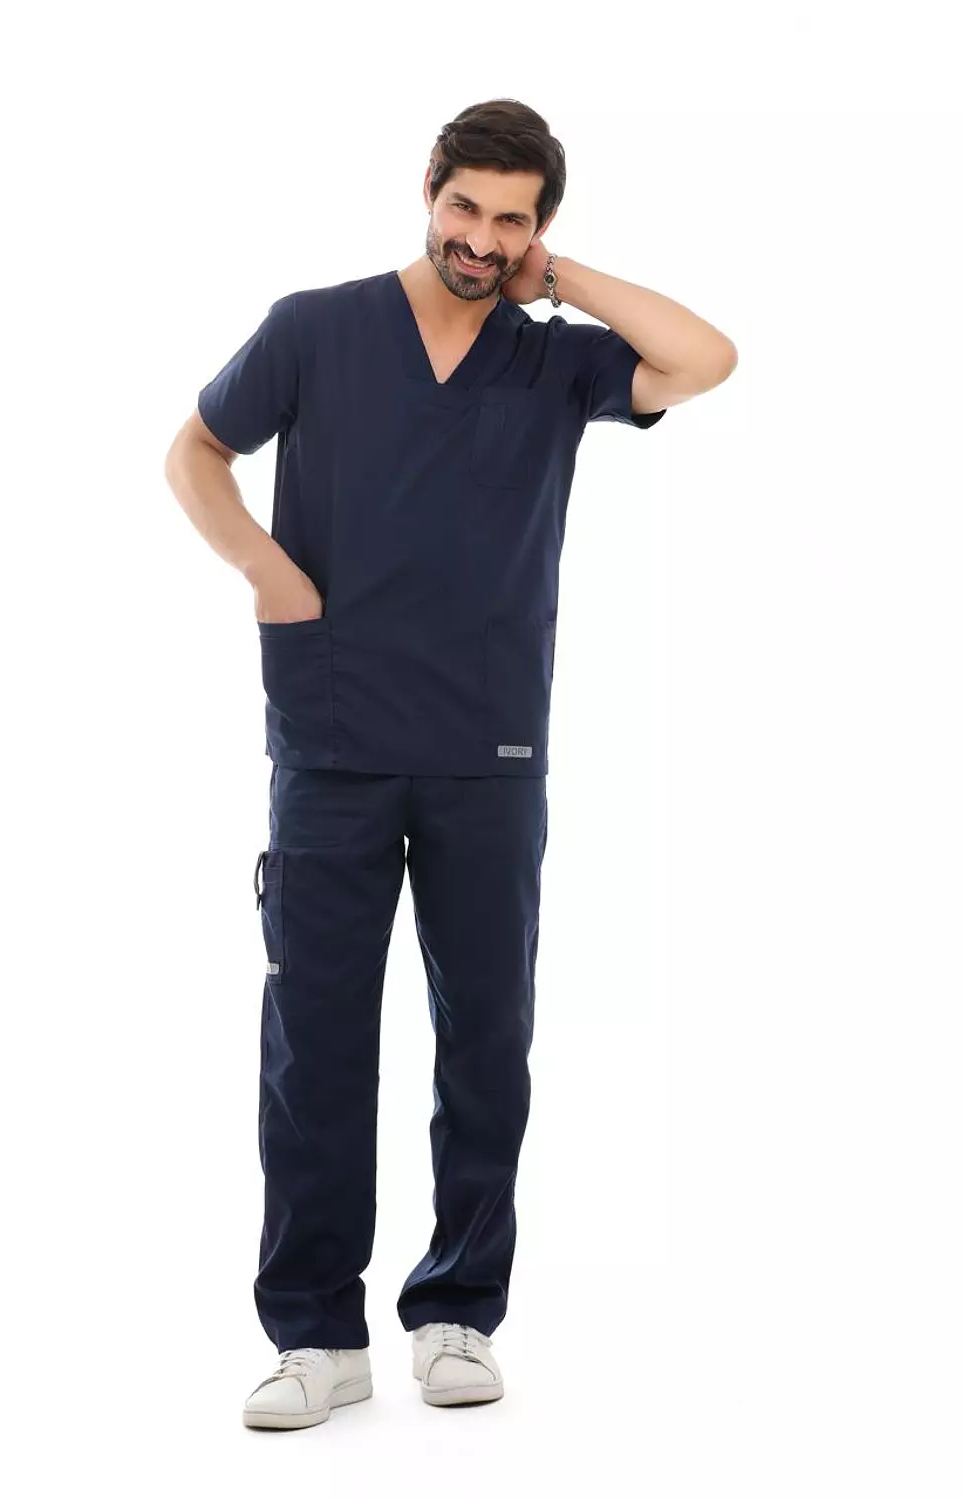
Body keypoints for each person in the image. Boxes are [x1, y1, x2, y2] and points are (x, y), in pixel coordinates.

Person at [164, 97, 737, 1432]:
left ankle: (457, 1314)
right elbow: (195, 451)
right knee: (315, 1045)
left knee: (487, 1041)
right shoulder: (315, 328)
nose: (480, 238)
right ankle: (317, 1337)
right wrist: (266, 572)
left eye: (511, 221)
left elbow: (707, 359)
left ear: (539, 229)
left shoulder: (559, 363)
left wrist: (562, 279)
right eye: (465, 207)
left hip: (490, 747)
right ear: (429, 188)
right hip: (332, 739)